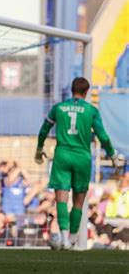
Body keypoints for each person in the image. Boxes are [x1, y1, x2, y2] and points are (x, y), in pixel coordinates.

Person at [35, 77, 121, 250]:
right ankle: (73, 239)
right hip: (82, 157)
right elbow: (102, 135)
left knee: (61, 199)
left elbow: (44, 129)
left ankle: (64, 238)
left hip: (62, 156)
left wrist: (39, 148)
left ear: (72, 90)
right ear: (86, 91)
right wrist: (112, 154)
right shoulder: (91, 110)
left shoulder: (58, 108)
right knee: (78, 202)